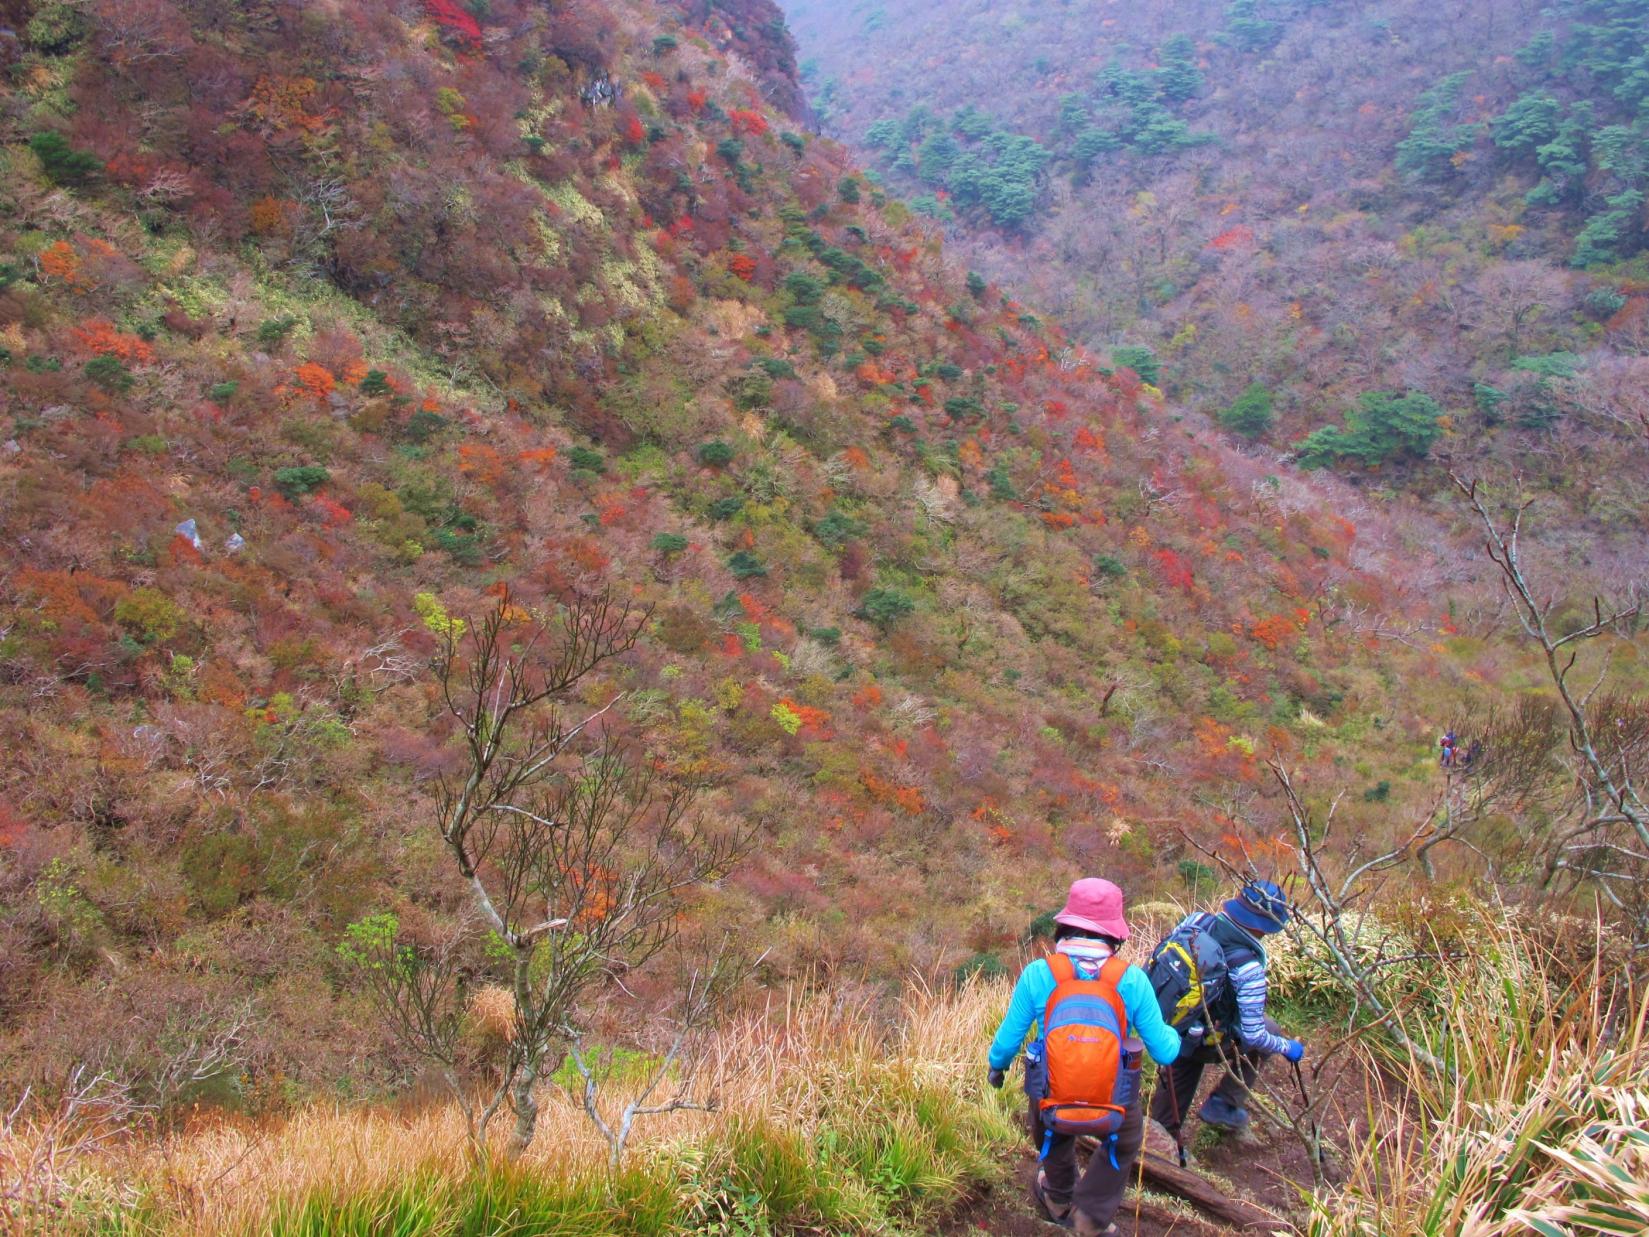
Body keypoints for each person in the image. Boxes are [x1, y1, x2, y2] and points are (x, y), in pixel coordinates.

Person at [987, 878, 1181, 1236]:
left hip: (1051, 1088)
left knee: (1050, 1131)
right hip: (1114, 1095)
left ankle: (1059, 1197)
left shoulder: (1039, 974)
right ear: (1114, 934)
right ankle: (1090, 1217)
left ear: (1065, 925)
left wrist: (997, 1067)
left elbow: (1009, 1037)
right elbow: (1165, 1051)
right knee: (1123, 1141)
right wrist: (1174, 1031)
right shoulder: (1132, 980)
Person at [1148, 880, 1303, 1149]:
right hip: (1208, 1037)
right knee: (1271, 1030)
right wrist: (1286, 1047)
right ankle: (1224, 1103)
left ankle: (1158, 1140)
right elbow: (1254, 1035)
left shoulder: (1197, 921)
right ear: (1263, 925)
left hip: (1168, 1026)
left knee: (1163, 1122)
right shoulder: (1248, 967)